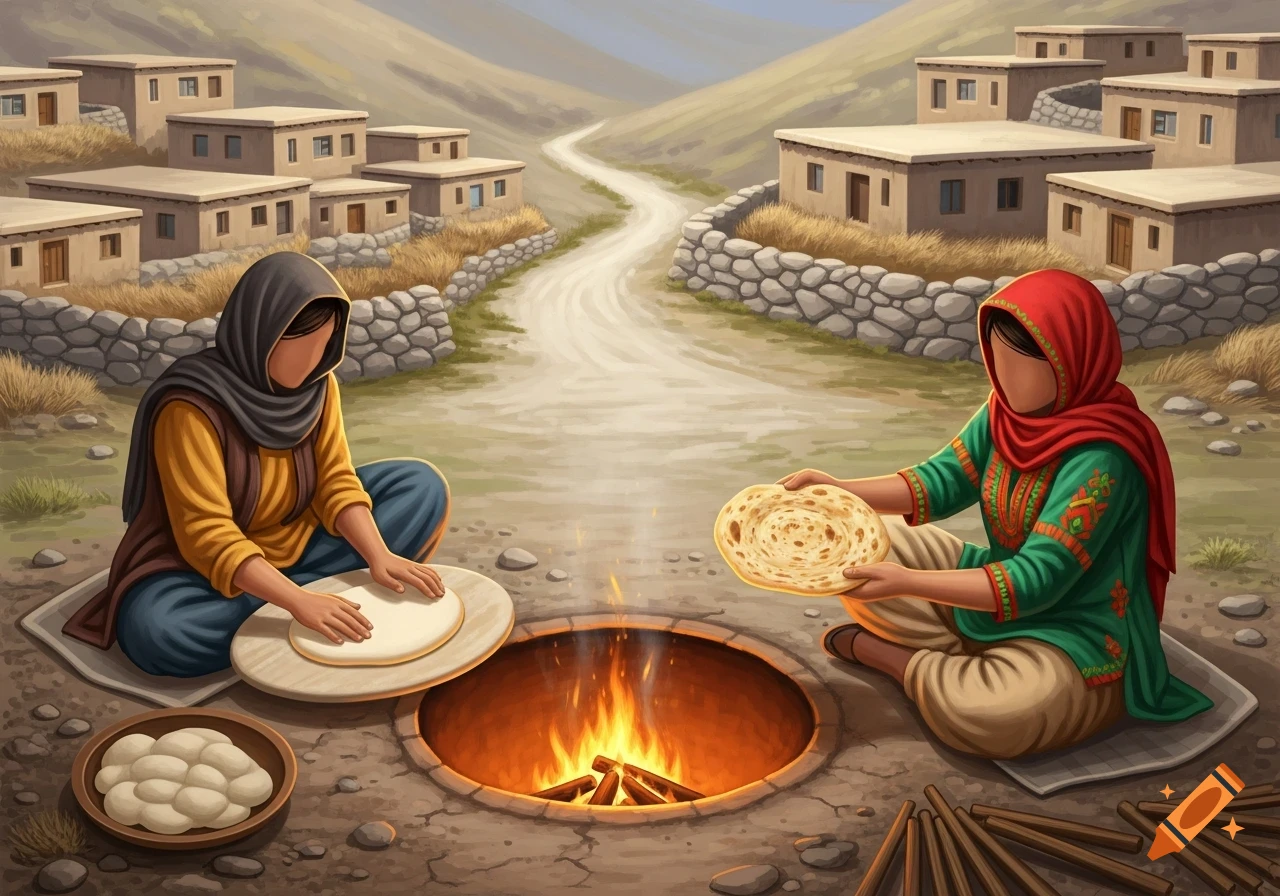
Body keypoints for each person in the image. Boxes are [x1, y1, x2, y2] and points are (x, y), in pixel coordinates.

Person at [779, 269, 1211, 760]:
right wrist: (840, 490)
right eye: (997, 362)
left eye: (1022, 365)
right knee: (856, 542)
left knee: (998, 716)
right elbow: (938, 481)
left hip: (1075, 633)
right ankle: (962, 657)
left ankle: (896, 660)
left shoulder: (1103, 457)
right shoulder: (1004, 413)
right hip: (987, 589)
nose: (1005, 380)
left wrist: (907, 583)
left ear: (1071, 362)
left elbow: (1036, 581)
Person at [64, 252, 451, 678]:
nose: (310, 362)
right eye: (298, 345)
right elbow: (206, 534)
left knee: (421, 486)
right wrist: (295, 600)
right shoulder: (191, 407)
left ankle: (304, 599)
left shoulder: (318, 387)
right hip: (203, 569)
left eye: (323, 346)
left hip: (300, 539)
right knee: (158, 631)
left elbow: (335, 481)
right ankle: (313, 595)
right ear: (260, 332)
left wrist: (379, 556)